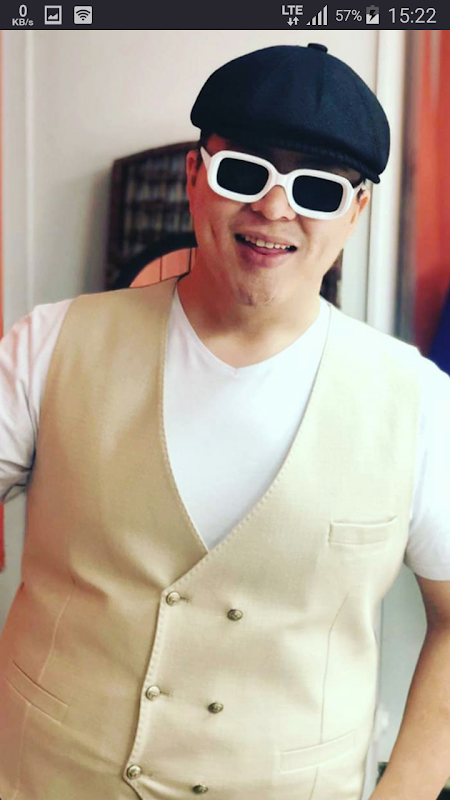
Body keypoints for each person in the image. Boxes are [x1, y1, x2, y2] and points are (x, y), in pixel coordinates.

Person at [1, 42, 450, 800]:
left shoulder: (419, 403)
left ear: (356, 211)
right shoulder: (48, 343)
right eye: (243, 173)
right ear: (195, 177)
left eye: (317, 189)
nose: (274, 209)